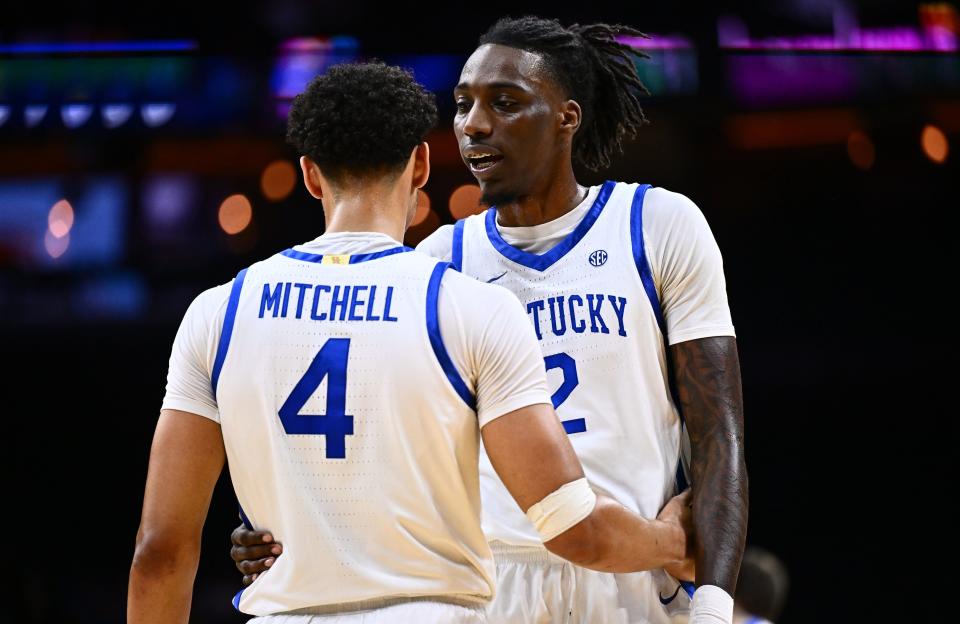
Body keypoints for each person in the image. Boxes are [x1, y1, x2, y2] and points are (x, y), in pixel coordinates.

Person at [128, 62, 695, 624]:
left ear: (309, 175)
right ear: (421, 164)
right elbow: (570, 525)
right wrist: (672, 541)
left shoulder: (216, 314)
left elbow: (161, 552)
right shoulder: (469, 308)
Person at [233, 16, 748, 623]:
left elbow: (720, 434)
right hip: (486, 584)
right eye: (461, 104)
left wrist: (715, 606)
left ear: (566, 117)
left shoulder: (656, 224)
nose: (473, 124)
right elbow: (366, 443)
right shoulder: (437, 262)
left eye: (504, 103)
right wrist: (266, 525)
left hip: (632, 572)